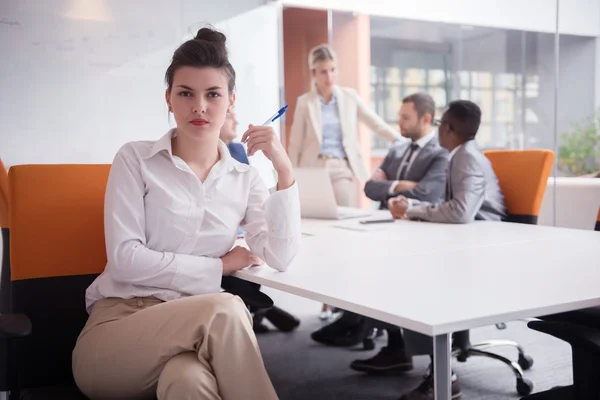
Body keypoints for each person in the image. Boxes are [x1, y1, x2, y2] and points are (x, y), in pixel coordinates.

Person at [71, 27, 301, 400]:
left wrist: (284, 170)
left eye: (213, 94)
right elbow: (126, 260)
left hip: (189, 334)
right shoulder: (135, 159)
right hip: (116, 333)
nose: (199, 107)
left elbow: (281, 256)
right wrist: (218, 267)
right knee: (226, 308)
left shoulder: (245, 179)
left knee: (188, 382)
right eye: (186, 94)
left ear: (230, 102)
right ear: (169, 99)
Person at [311, 93, 448, 354]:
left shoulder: (440, 152)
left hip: (419, 229)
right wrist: (400, 186)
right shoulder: (398, 148)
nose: (400, 123)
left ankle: (374, 333)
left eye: (406, 118)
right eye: (399, 117)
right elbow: (371, 188)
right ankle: (362, 323)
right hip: (386, 224)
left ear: (426, 119)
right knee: (348, 251)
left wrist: (390, 187)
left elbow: (428, 193)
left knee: (383, 264)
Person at [388, 100, 506, 400]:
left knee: (420, 281)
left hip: (486, 243)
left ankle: (443, 375)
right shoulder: (460, 154)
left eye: (440, 123)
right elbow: (452, 208)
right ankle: (414, 353)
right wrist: (414, 207)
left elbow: (462, 212)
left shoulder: (465, 157)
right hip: (470, 237)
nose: (437, 127)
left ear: (449, 129)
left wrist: (415, 211)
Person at [288, 44, 400, 318]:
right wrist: (289, 179)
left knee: (345, 235)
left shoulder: (349, 97)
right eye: (324, 71)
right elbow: (295, 143)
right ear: (314, 72)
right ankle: (326, 301)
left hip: (343, 169)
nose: (329, 76)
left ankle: (348, 302)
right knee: (320, 236)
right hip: (315, 170)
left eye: (333, 70)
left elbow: (374, 123)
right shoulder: (306, 102)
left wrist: (402, 141)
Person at [218, 109, 301, 334]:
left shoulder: (236, 150)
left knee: (256, 259)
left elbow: (248, 201)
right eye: (229, 116)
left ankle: (257, 309)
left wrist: (283, 167)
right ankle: (258, 309)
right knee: (247, 265)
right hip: (223, 238)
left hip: (243, 232)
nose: (236, 120)